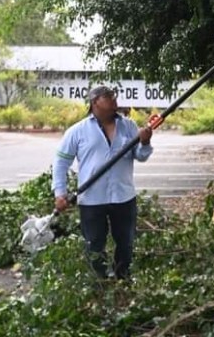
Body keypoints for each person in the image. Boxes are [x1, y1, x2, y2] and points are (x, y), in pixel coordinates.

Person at [52, 85, 153, 279]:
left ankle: (122, 280)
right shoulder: (77, 131)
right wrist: (60, 192)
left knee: (126, 243)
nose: (114, 99)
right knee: (94, 245)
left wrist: (145, 142)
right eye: (108, 96)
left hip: (123, 197)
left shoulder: (129, 126)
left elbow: (140, 156)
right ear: (95, 101)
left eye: (114, 95)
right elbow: (61, 163)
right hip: (91, 199)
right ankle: (99, 283)